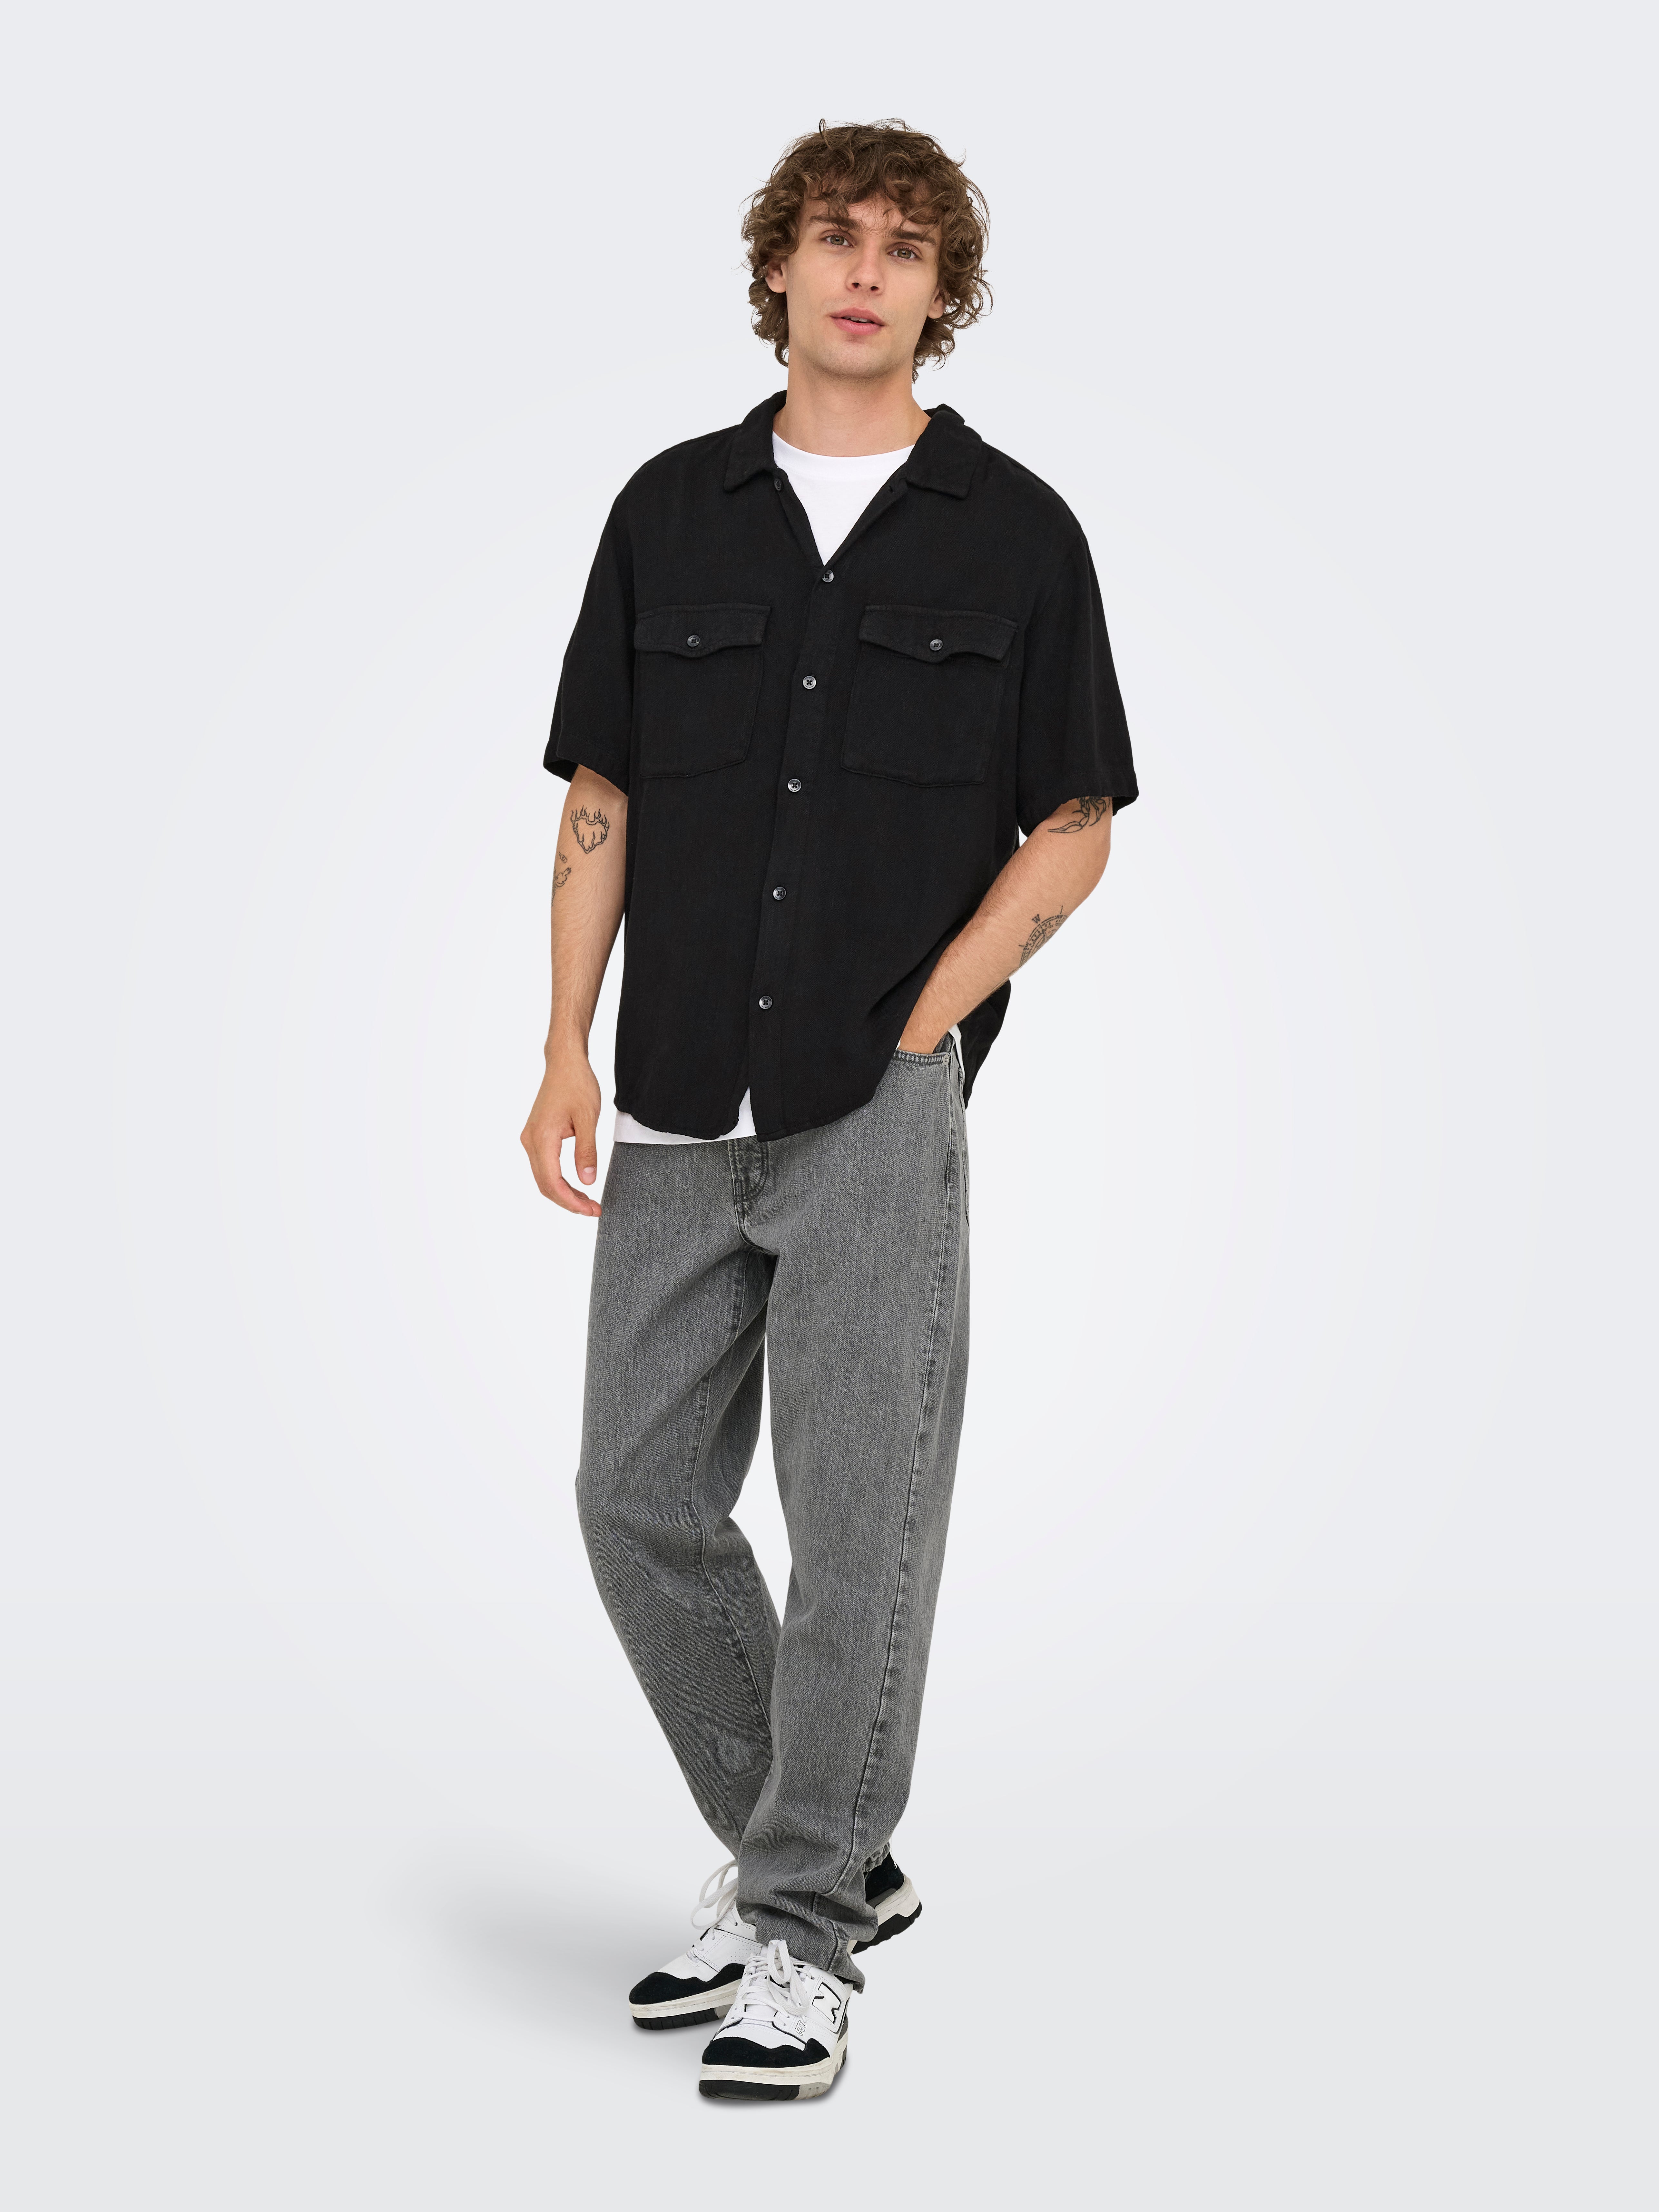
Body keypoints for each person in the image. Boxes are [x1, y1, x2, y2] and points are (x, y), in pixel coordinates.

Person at [520, 119, 1137, 2102]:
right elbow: (603, 794)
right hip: (678, 1090)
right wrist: (564, 1044)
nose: (865, 272)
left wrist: (925, 1025)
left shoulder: (1014, 534)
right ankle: (832, 1860)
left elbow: (1075, 824)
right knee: (636, 1496)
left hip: (877, 1102)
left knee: (861, 1519)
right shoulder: (669, 511)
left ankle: (798, 1935)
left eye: (904, 247)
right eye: (833, 237)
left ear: (942, 291)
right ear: (776, 267)